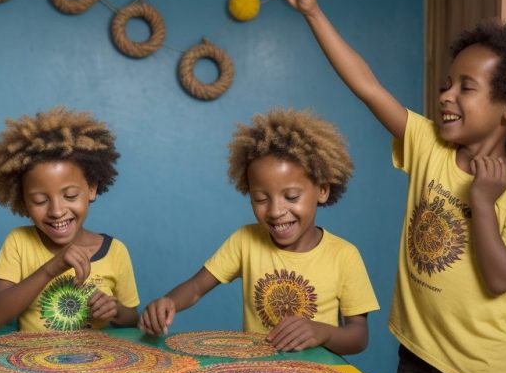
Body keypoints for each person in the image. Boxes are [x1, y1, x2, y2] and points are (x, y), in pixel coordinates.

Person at [286, 0, 506, 373]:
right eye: (446, 85)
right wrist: (312, 12)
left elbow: (500, 278)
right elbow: (367, 86)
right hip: (418, 355)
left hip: (485, 370)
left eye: (466, 87)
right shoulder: (429, 145)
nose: (447, 96)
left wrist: (483, 202)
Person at [139, 109, 379, 355]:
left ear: (323, 190)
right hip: (255, 370)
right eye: (261, 199)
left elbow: (358, 336)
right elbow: (196, 287)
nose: (275, 211)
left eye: (291, 196)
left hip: (319, 372)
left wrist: (323, 332)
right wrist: (168, 302)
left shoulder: (344, 255)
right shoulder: (245, 241)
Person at [0, 107, 140, 331]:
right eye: (40, 200)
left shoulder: (115, 251)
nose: (56, 211)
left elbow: (133, 319)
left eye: (70, 196)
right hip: (33, 355)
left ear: (92, 189)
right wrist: (51, 268)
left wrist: (115, 310)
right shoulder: (19, 242)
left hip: (97, 355)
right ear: (23, 201)